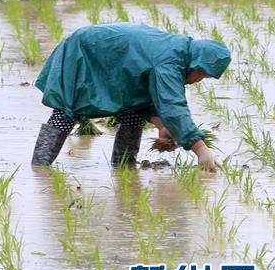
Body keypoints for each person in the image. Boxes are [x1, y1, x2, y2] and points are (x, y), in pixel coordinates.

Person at [30, 23, 231, 172]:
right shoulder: (170, 62)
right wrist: (200, 149)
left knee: (132, 112)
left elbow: (143, 95)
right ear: (196, 63)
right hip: (86, 51)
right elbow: (173, 106)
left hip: (114, 61)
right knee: (67, 111)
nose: (199, 80)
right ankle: (39, 168)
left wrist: (161, 125)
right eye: (202, 74)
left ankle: (124, 169)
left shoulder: (178, 54)